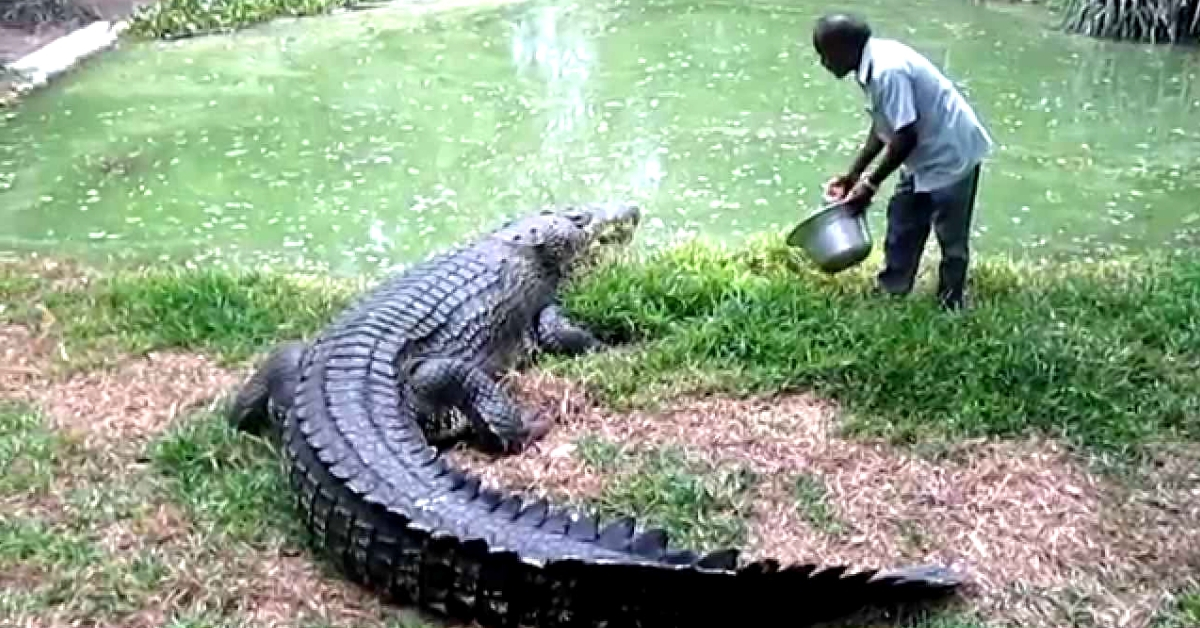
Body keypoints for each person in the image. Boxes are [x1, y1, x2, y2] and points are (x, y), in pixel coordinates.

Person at [811, 13, 993, 310]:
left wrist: (870, 184)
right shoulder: (870, 65)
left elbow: (906, 137)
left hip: (951, 154)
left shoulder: (887, 71)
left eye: (825, 54)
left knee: (951, 237)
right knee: (903, 221)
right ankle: (892, 290)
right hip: (922, 156)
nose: (823, 63)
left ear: (845, 49)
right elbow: (885, 127)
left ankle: (951, 305)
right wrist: (853, 175)